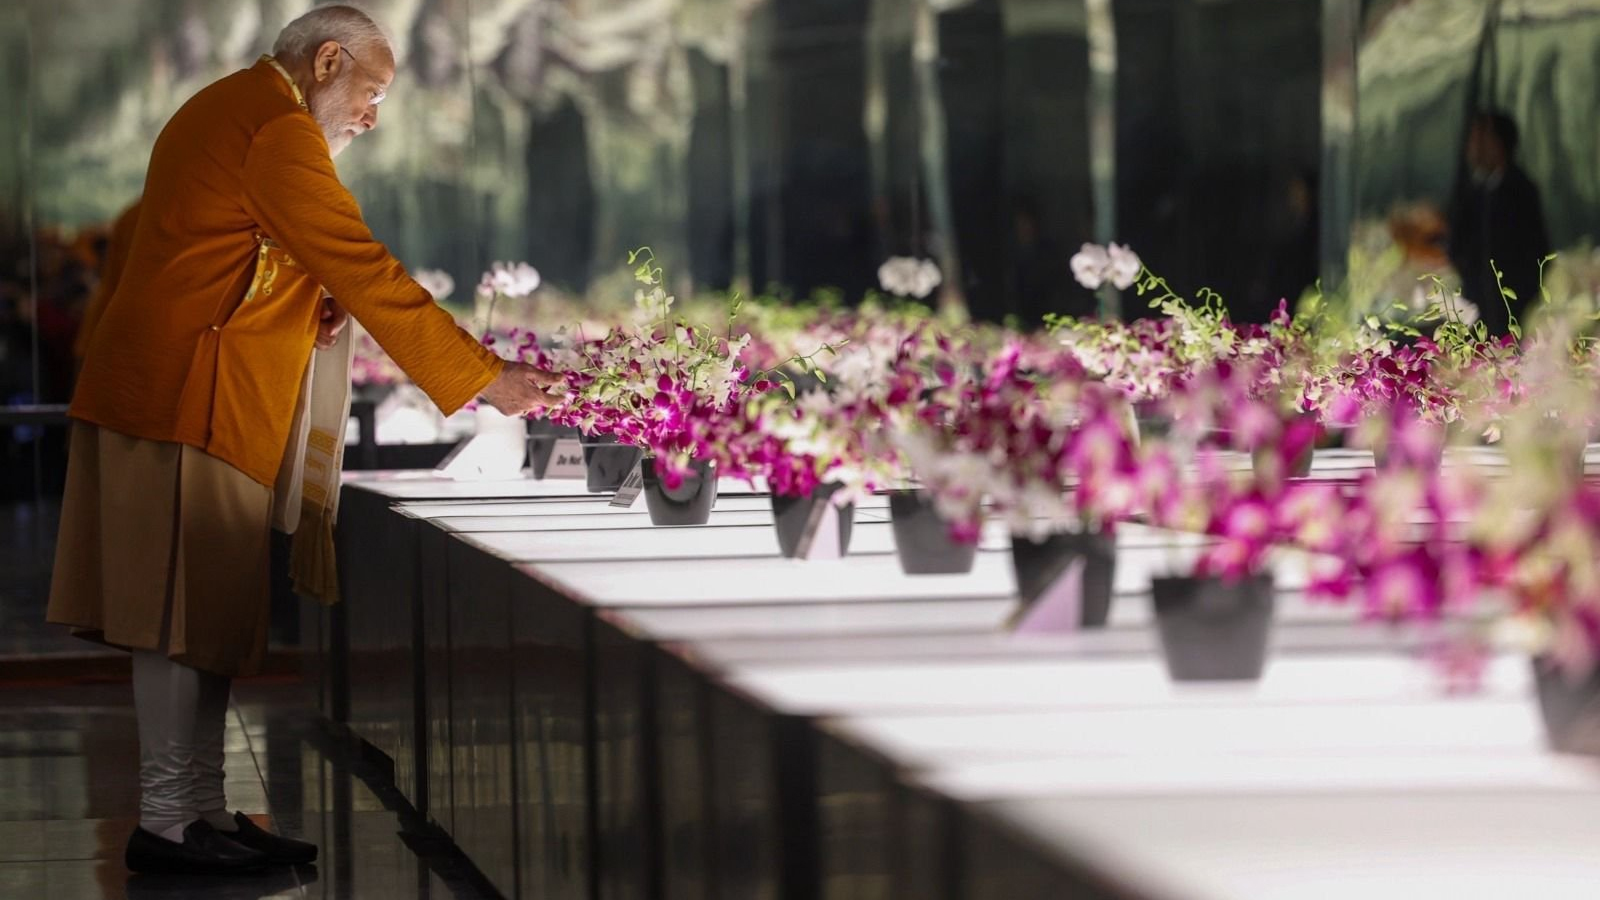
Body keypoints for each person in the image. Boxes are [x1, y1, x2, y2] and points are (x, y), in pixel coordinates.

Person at [46, 5, 560, 877]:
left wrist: (305, 297)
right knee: (176, 619)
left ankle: (200, 810)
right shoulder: (278, 131)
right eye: (371, 91)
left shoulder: (241, 107)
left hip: (191, 395)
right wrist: (480, 378)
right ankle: (170, 822)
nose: (372, 115)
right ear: (328, 61)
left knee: (199, 616)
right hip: (182, 398)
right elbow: (360, 264)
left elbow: (243, 253)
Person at [1447, 111, 1552, 335]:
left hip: (1510, 313)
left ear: (1496, 143)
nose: (1472, 148)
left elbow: (1537, 253)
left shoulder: (1520, 191)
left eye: (1478, 139)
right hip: (1478, 311)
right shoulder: (1476, 192)